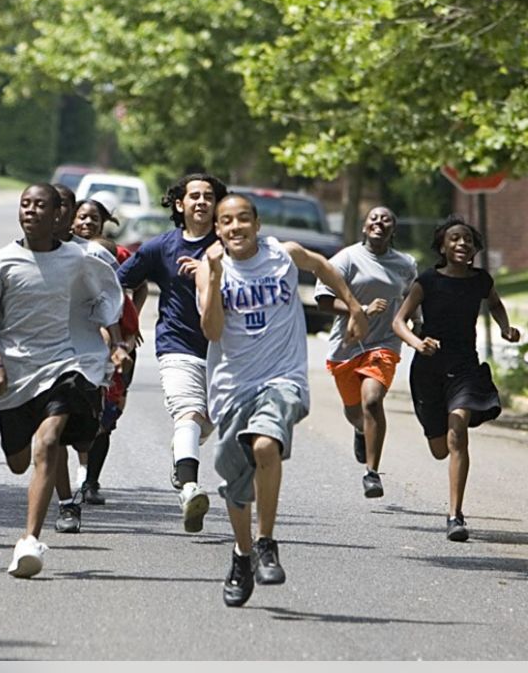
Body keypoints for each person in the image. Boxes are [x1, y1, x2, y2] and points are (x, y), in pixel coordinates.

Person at [196, 193, 367, 607]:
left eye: (242, 219)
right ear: (217, 229)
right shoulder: (209, 266)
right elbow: (213, 331)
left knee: (266, 444)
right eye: (226, 222)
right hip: (232, 386)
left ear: (256, 223)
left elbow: (322, 266)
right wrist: (217, 278)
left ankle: (267, 542)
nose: (235, 228)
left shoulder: (283, 254)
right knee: (235, 482)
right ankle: (243, 555)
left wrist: (353, 306)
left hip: (282, 377)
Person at [0, 184, 122, 577]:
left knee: (48, 442)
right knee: (18, 462)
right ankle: (41, 502)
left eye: (40, 206)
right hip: (13, 373)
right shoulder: (0, 263)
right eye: (25, 204)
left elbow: (107, 298)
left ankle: (29, 541)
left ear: (58, 215)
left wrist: (114, 342)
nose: (30, 211)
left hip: (64, 364)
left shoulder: (81, 259)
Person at [391, 216, 521, 542]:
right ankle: (448, 427)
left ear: (475, 248)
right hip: (428, 370)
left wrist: (505, 328)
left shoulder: (480, 280)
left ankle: (455, 515)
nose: (462, 244)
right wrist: (417, 342)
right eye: (454, 239)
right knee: (440, 449)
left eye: (467, 240)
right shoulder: (428, 281)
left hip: (464, 366)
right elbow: (399, 321)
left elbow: (494, 303)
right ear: (442, 247)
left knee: (457, 433)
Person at [116, 173, 224, 533]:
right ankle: (190, 488)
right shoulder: (161, 247)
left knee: (206, 420)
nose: (201, 202)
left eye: (209, 196)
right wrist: (121, 329)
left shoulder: (228, 246)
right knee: (189, 413)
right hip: (177, 345)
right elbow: (118, 280)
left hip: (225, 349)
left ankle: (183, 459)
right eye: (194, 196)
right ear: (179, 204)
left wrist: (210, 273)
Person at [315, 206, 417, 498]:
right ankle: (361, 431)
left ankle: (372, 473)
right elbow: (323, 299)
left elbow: (412, 297)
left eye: (387, 219)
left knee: (372, 401)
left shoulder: (405, 263)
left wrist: (418, 323)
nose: (379, 223)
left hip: (384, 343)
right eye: (374, 218)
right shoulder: (347, 258)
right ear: (364, 227)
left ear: (393, 229)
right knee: (355, 412)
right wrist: (358, 310)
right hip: (346, 345)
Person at [71, 197, 140, 507]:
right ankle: (75, 469)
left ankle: (91, 482)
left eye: (93, 218)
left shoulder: (118, 253)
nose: (87, 223)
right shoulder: (62, 253)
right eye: (81, 217)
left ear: (103, 223)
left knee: (107, 416)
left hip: (120, 346)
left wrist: (130, 322)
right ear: (70, 220)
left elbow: (139, 283)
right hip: (77, 344)